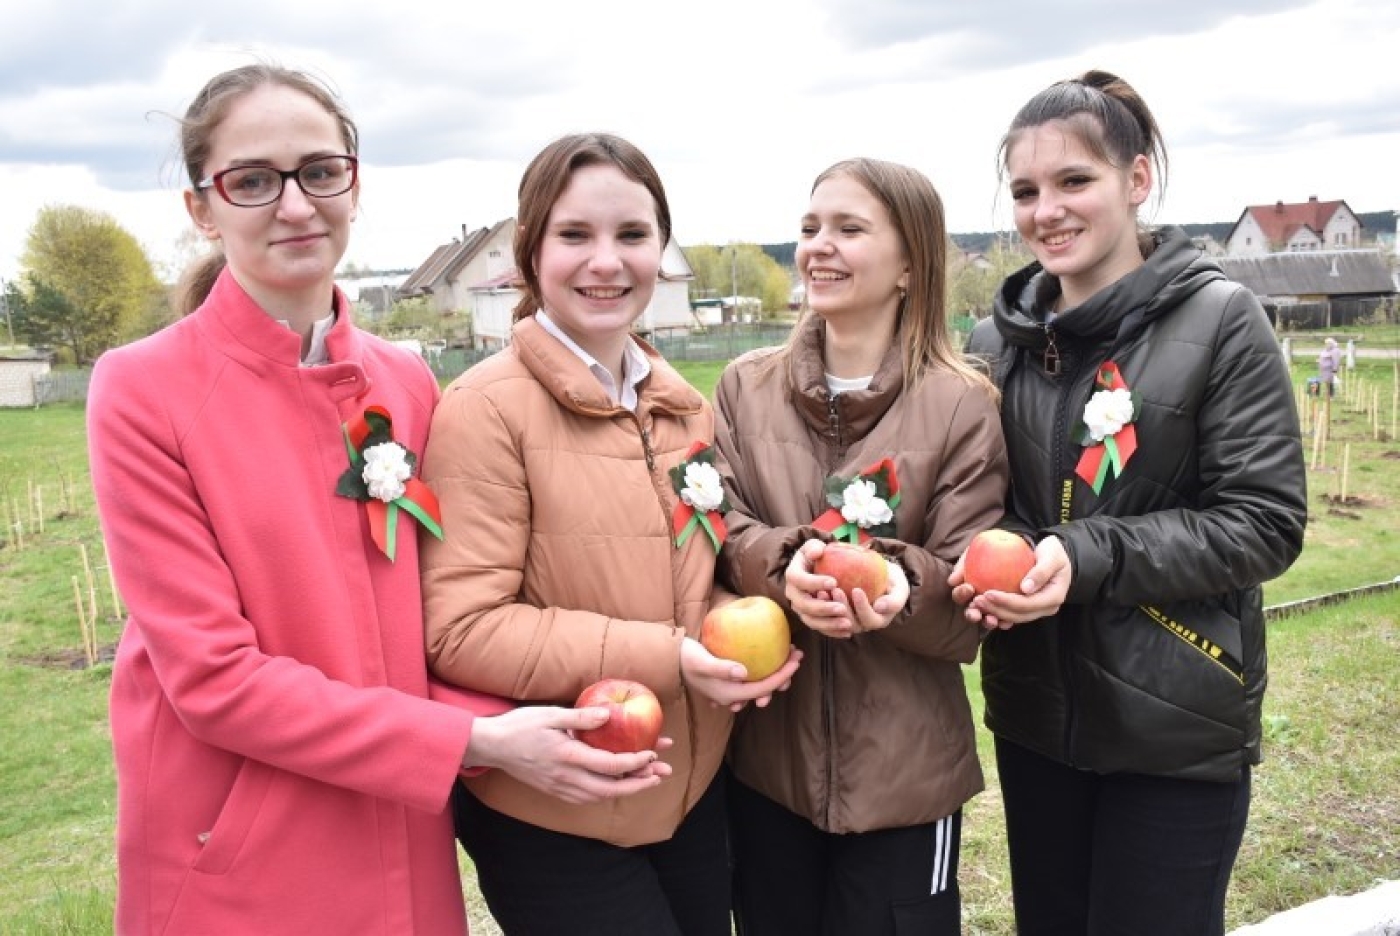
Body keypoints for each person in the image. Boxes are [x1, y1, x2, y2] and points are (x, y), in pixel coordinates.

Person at [87, 65, 668, 936]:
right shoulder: (141, 390)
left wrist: (525, 721)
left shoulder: (402, 378)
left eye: (321, 171)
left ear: (354, 184)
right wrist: (469, 743)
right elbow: (212, 680)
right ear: (202, 210)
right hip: (242, 850)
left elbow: (435, 614)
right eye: (252, 181)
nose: (296, 205)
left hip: (404, 840)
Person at [419, 132, 801, 936]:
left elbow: (695, 570)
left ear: (661, 249)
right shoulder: (484, 411)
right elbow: (460, 629)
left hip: (692, 792)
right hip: (559, 811)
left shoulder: (683, 406)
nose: (607, 261)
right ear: (530, 252)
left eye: (632, 235)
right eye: (575, 236)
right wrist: (672, 658)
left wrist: (744, 620)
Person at [957, 70, 1308, 935]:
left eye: (1075, 181)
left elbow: (1264, 522)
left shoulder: (1223, 322)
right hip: (1038, 717)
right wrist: (986, 553)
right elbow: (984, 502)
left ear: (1137, 180)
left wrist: (1082, 557)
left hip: (1176, 724)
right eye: (1027, 190)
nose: (1048, 210)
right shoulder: (993, 342)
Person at [711, 157, 1009, 935]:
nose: (819, 247)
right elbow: (721, 531)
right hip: (768, 769)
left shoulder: (960, 406)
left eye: (849, 228)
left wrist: (896, 586)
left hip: (906, 784)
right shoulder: (744, 388)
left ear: (911, 262)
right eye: (811, 228)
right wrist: (786, 566)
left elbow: (968, 597)